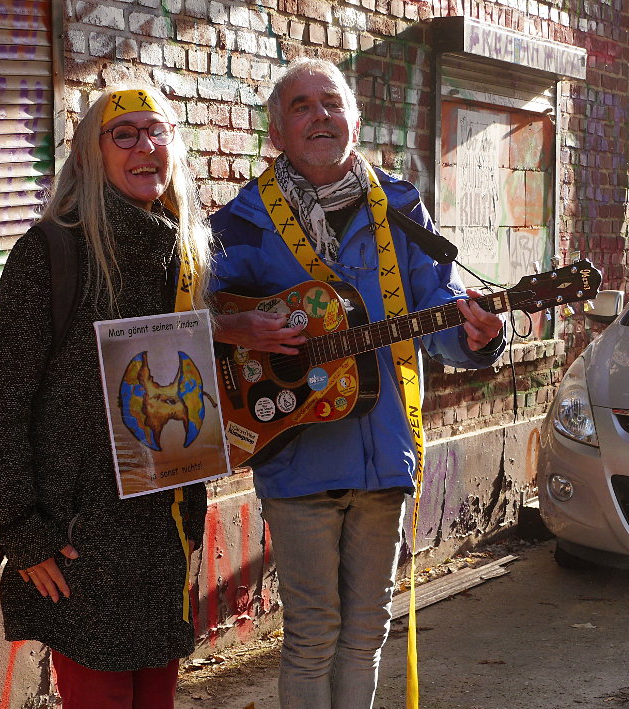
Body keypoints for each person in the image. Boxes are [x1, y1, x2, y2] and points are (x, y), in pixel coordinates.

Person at [210, 58, 505, 709]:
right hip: (295, 452)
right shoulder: (243, 220)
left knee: (367, 632)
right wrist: (240, 328)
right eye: (301, 106)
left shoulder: (397, 206)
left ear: (357, 118)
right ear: (276, 133)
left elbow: (439, 306)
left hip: (384, 452)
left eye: (332, 103)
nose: (320, 115)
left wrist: (477, 334)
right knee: (313, 636)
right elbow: (189, 316)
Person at [0, 84, 213, 709]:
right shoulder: (53, 251)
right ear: (89, 156)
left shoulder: (184, 259)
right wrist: (22, 531)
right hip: (80, 543)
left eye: (156, 131)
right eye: (122, 134)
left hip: (161, 541)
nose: (143, 146)